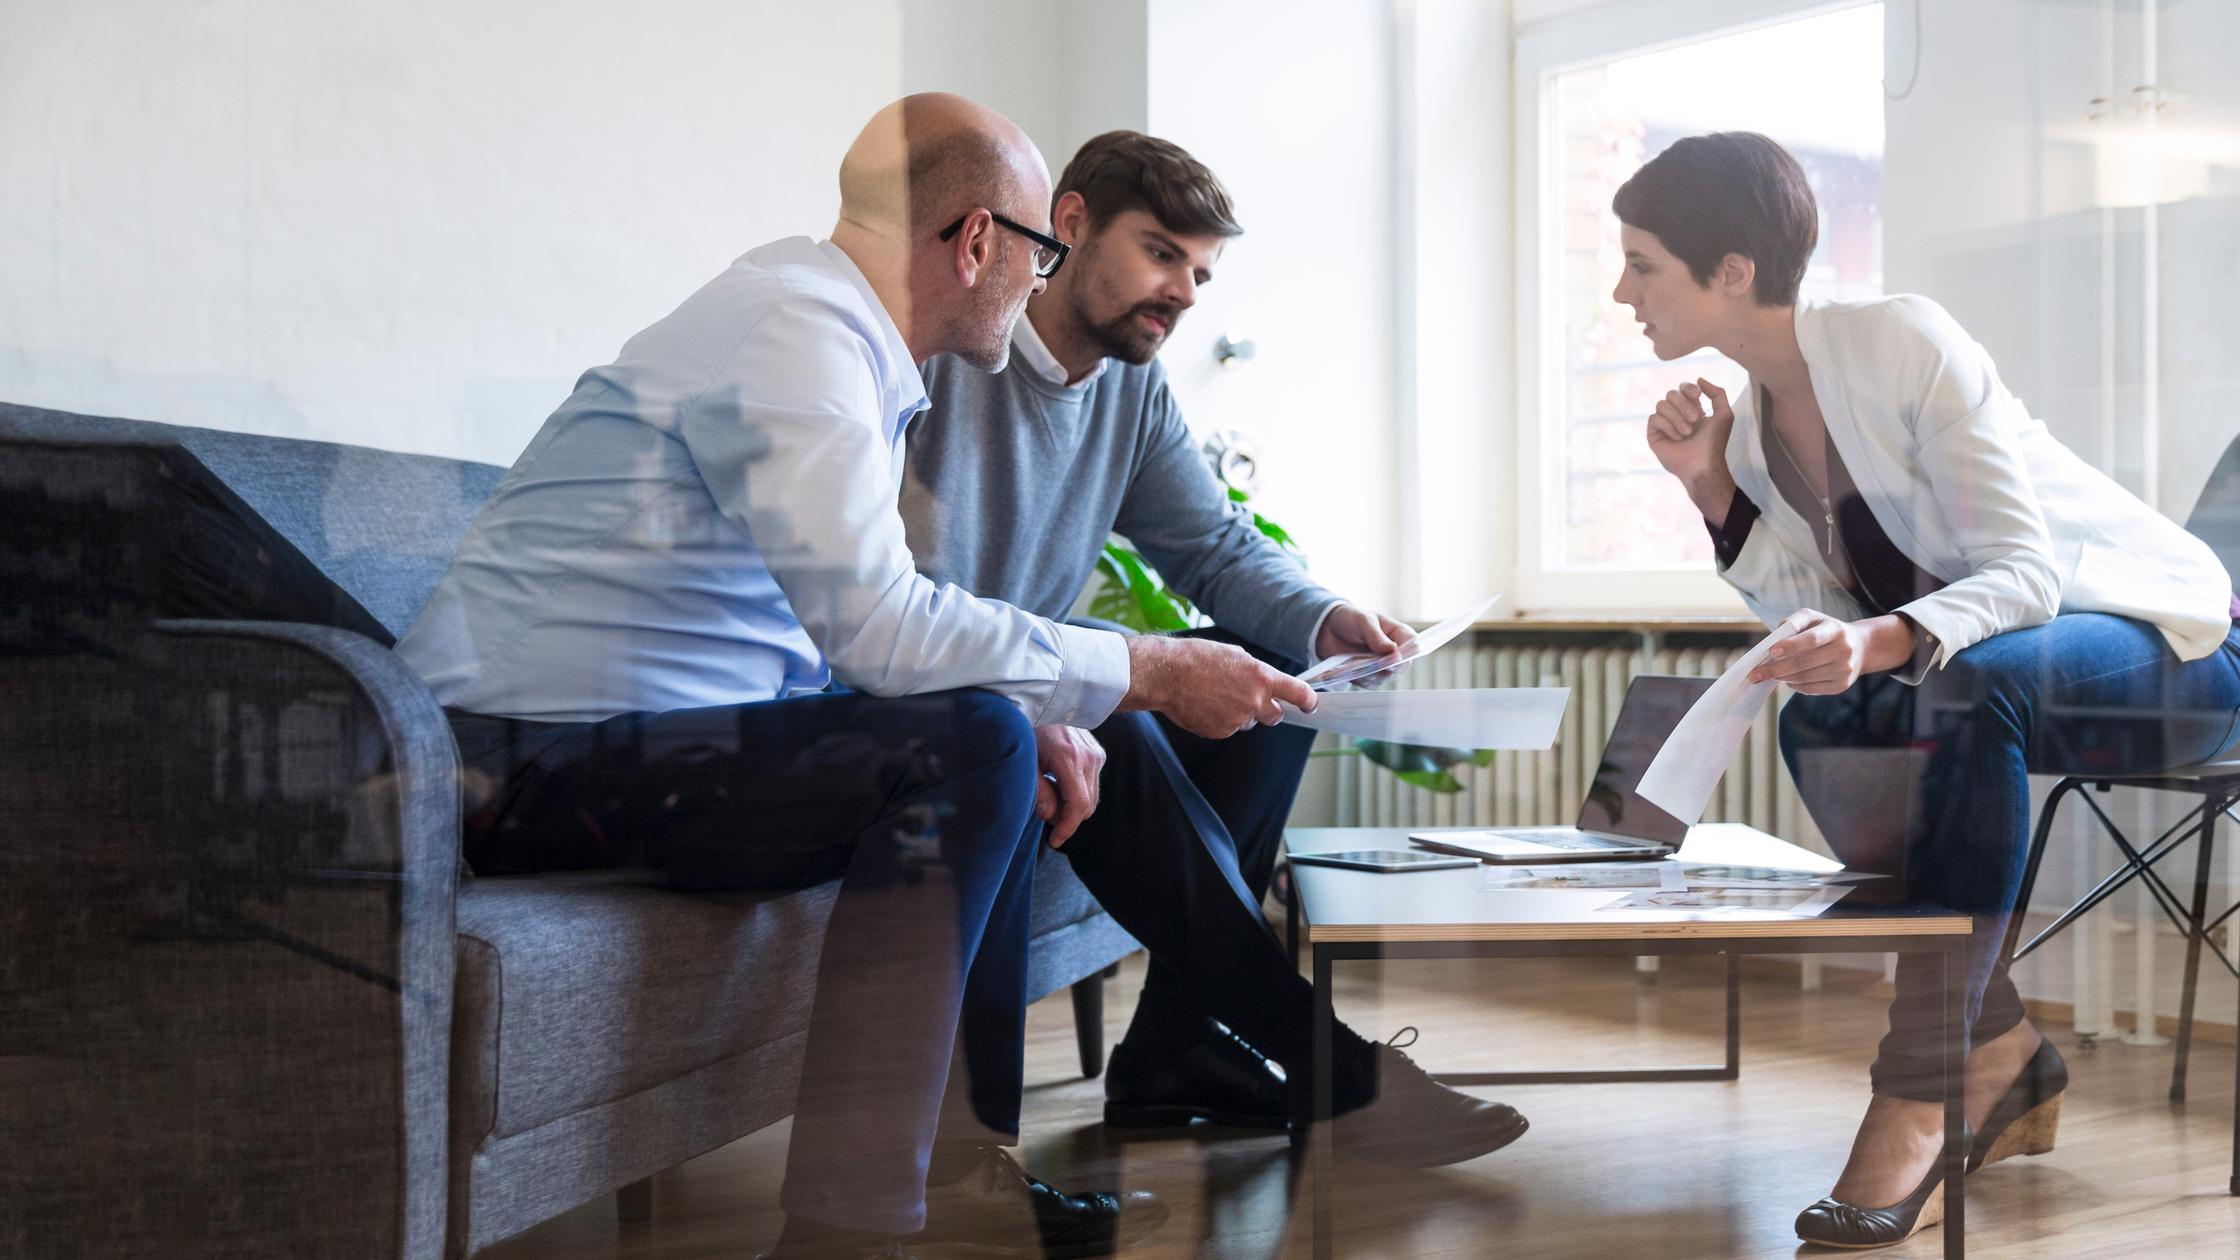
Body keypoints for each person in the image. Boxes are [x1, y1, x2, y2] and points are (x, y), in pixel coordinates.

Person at [397, 94, 1324, 1260]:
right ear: (976, 241)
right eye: (1038, 249)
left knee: (986, 734)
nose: (1037, 279)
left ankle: (941, 1179)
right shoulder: (800, 337)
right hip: (509, 759)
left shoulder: (833, 339)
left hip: (616, 743)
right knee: (977, 740)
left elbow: (820, 647)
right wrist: (1139, 665)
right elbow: (880, 628)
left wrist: (1029, 704)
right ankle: (852, 1229)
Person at [1612, 130, 2240, 1249]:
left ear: (1730, 271)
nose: (1622, 292)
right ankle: (1999, 1043)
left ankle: (1919, 1090)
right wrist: (1711, 489)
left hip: (2175, 645)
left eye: (1642, 263)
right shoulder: (1753, 425)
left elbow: (2025, 572)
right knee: (1827, 700)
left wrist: (1884, 639)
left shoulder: (1896, 341)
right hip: (2005, 666)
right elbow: (1820, 615)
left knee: (1959, 688)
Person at [903, 130, 1528, 1165]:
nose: (1182, 291)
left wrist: (1325, 622)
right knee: (1122, 704)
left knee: (1259, 680)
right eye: (1159, 253)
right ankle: (1333, 1069)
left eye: (1198, 271)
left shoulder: (1130, 392)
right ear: (1067, 224)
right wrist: (1065, 695)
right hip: (948, 702)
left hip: (1049, 699)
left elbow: (1212, 546)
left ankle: (1174, 1050)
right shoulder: (943, 355)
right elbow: (889, 608)